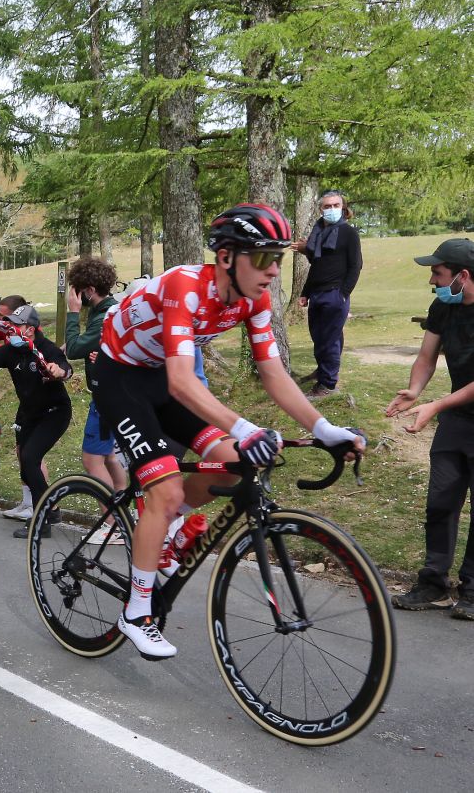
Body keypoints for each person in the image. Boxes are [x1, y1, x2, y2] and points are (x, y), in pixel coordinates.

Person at [91, 203, 365, 660]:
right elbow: (182, 381)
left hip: (162, 376)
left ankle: (175, 535)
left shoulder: (253, 299)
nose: (274, 271)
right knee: (165, 490)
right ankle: (136, 612)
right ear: (225, 258)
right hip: (120, 377)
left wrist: (324, 427)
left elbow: (274, 375)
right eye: (262, 258)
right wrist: (246, 426)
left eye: (278, 258)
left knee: (238, 463)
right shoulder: (185, 287)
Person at [385, 238, 474, 619]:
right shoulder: (443, 305)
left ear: (463, 276)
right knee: (441, 501)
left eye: (438, 273)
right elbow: (426, 356)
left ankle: (471, 591)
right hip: (457, 418)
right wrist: (415, 390)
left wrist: (435, 405)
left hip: (455, 407)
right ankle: (433, 583)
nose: (432, 280)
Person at [0, 305, 71, 535]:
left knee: (30, 459)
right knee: (26, 468)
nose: (10, 329)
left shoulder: (46, 348)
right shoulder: (10, 351)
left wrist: (59, 371)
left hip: (55, 413)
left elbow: (65, 368)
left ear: (31, 329)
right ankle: (51, 510)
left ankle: (41, 520)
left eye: (16, 325)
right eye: (10, 324)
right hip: (29, 415)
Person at [63, 257, 127, 498]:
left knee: (92, 461)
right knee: (109, 457)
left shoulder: (103, 317)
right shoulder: (108, 310)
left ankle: (111, 523)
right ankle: (121, 518)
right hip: (117, 393)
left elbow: (75, 350)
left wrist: (72, 313)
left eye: (78, 292)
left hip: (106, 397)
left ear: (89, 291)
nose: (76, 297)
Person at [292, 190, 362, 398]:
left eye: (336, 206)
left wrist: (343, 294)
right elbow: (318, 266)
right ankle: (322, 372)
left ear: (343, 208)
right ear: (320, 209)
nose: (331, 209)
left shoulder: (349, 233)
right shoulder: (319, 233)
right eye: (327, 206)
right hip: (317, 294)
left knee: (329, 340)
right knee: (320, 337)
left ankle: (327, 385)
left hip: (335, 294)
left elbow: (356, 266)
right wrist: (305, 292)